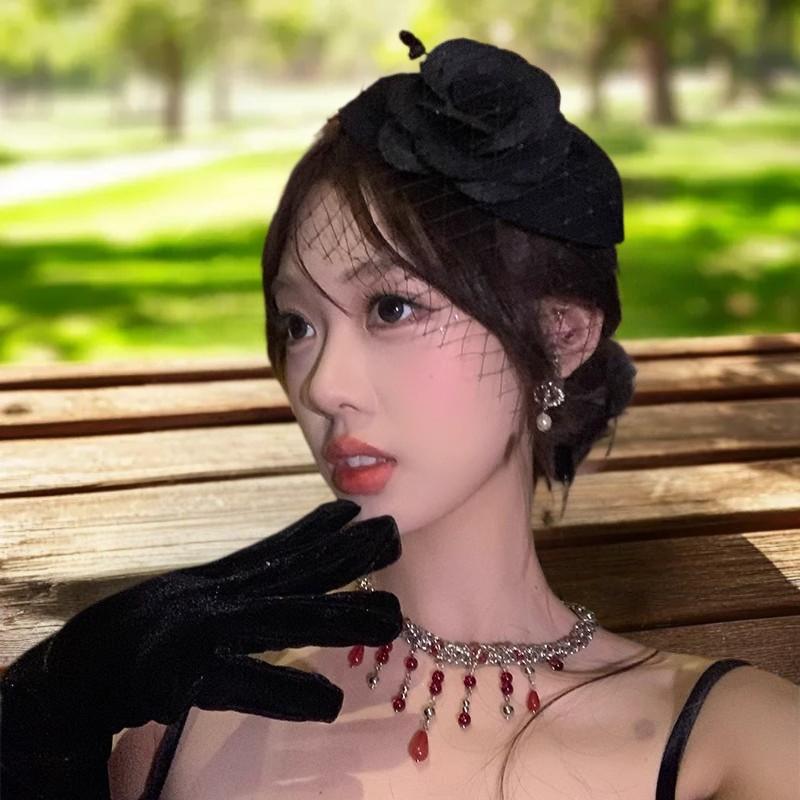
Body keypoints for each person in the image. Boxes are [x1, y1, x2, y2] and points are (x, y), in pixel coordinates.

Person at [4, 31, 798, 800]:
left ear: (560, 335)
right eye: (298, 325)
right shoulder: (175, 723)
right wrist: (41, 719)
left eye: (391, 307)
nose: (322, 384)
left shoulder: (738, 739)